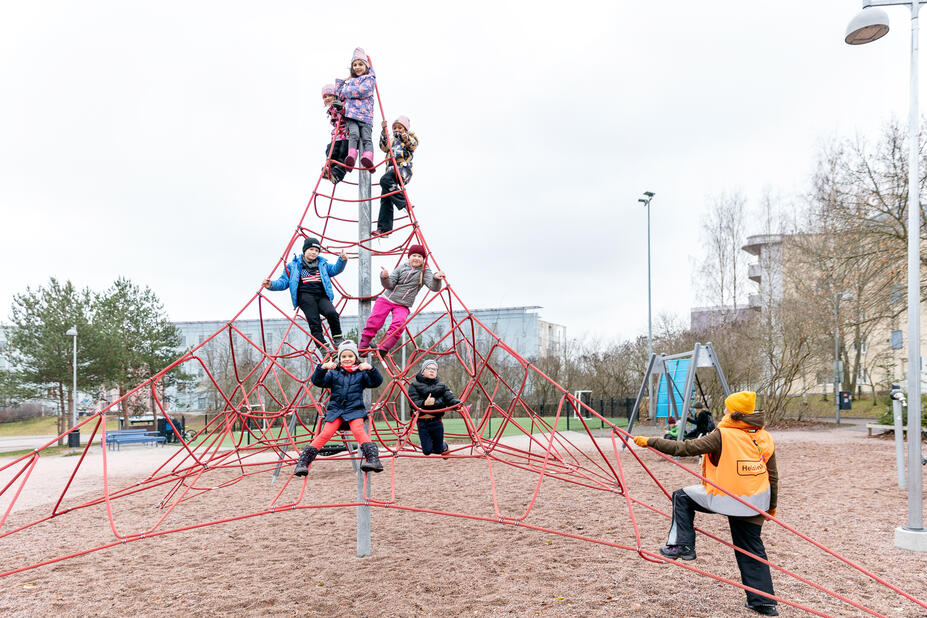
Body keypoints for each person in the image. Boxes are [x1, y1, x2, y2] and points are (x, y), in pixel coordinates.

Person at [632, 391, 779, 617]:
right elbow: (772, 474)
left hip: (728, 498)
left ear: (734, 413)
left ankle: (683, 545)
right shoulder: (764, 436)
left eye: (727, 408)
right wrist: (771, 506)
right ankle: (764, 602)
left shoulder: (725, 434)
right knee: (751, 549)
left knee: (682, 496)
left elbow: (686, 448)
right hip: (756, 501)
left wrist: (650, 442)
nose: (724, 411)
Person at [294, 340, 384, 476]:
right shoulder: (334, 373)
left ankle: (373, 459)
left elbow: (376, 382)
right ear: (340, 359)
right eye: (344, 357)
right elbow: (317, 381)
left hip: (355, 410)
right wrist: (322, 368)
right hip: (336, 410)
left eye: (350, 356)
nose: (347, 359)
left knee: (358, 430)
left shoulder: (361, 374)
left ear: (356, 358)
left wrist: (371, 369)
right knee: (325, 433)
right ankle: (303, 462)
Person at [263, 237, 347, 353]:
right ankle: (324, 348)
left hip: (321, 295)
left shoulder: (322, 264)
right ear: (304, 250)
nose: (314, 252)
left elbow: (334, 270)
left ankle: (337, 340)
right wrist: (271, 285)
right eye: (311, 249)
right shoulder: (294, 265)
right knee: (314, 321)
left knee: (332, 313)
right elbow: (284, 282)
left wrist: (341, 261)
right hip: (305, 296)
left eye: (316, 250)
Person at [358, 244, 444, 355]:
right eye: (414, 255)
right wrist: (384, 277)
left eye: (419, 256)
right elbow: (390, 284)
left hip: (402, 305)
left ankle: (384, 349)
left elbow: (434, 287)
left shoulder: (424, 271)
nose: (416, 258)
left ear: (423, 259)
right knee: (375, 321)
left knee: (398, 325)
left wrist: (436, 278)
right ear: (409, 257)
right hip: (387, 299)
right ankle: (363, 345)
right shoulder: (402, 267)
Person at [374, 115, 418, 235]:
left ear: (405, 129)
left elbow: (413, 145)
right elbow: (383, 147)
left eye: (400, 128)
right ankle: (384, 229)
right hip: (390, 171)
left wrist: (406, 137)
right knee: (385, 198)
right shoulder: (391, 141)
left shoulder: (409, 138)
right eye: (395, 128)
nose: (397, 130)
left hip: (402, 169)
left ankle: (404, 202)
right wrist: (384, 132)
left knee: (383, 180)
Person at [407, 359, 461, 457]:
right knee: (427, 451)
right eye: (429, 368)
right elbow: (413, 403)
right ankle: (438, 444)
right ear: (422, 371)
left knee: (439, 449)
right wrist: (424, 403)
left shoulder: (442, 386)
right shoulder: (414, 386)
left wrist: (457, 403)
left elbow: (450, 398)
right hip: (422, 423)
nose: (432, 371)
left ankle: (444, 445)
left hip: (436, 421)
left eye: (435, 369)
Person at [335, 47, 376, 171]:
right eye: (355, 65)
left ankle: (368, 156)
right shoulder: (351, 81)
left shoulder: (369, 79)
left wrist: (347, 90)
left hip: (365, 116)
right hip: (351, 115)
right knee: (353, 134)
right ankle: (351, 155)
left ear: (366, 66)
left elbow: (363, 90)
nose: (357, 67)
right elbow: (339, 93)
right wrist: (344, 81)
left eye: (360, 64)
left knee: (366, 137)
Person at [321, 84, 348, 184]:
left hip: (346, 135)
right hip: (337, 137)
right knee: (330, 150)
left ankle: (337, 174)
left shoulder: (339, 104)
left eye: (329, 95)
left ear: (335, 96)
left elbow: (346, 112)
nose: (327, 98)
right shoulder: (330, 110)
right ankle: (330, 169)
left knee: (343, 154)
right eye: (325, 97)